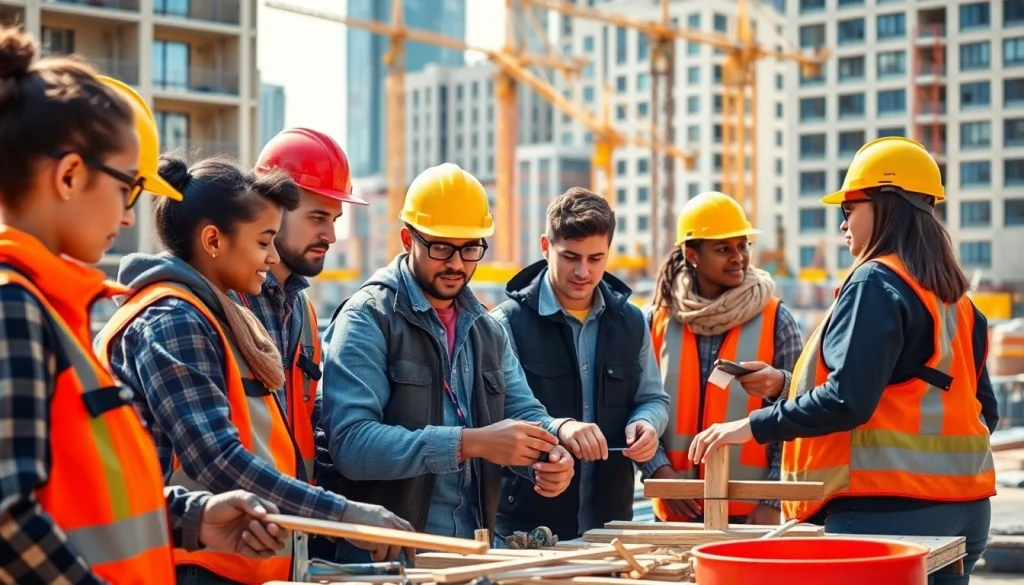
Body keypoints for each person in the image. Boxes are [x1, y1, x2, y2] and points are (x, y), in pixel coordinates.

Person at [0, 27, 285, 585]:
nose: (130, 214)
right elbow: (9, 517)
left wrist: (190, 516)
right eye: (127, 187)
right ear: (70, 175)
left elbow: (87, 499)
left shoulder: (47, 307)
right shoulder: (14, 308)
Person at [688, 137, 998, 584]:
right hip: (967, 509)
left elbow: (847, 400)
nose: (843, 223)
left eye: (849, 208)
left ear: (885, 203)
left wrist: (750, 426)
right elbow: (981, 409)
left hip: (885, 510)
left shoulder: (875, 281)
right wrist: (783, 385)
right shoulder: (957, 301)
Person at [94, 155, 412, 585]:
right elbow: (218, 460)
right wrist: (346, 515)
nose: (271, 256)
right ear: (213, 240)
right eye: (264, 242)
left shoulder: (211, 314)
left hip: (220, 557)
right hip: (188, 565)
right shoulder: (173, 319)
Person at [319, 163, 585, 561]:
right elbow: (352, 445)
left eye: (470, 248)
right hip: (389, 563)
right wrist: (470, 443)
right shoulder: (368, 318)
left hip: (472, 555)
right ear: (408, 239)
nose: (457, 264)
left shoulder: (486, 329)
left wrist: (548, 454)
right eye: (441, 248)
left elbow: (525, 413)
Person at [490, 187, 669, 542]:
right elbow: (494, 419)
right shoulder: (505, 324)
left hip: (612, 530)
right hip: (526, 533)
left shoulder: (633, 322)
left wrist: (647, 424)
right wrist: (553, 437)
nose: (583, 271)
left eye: (595, 258)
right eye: (570, 257)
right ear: (546, 247)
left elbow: (653, 398)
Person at [231, 128, 365, 559]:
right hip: (219, 547)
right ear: (269, 208)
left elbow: (300, 424)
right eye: (317, 217)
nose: (331, 235)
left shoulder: (303, 312)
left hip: (285, 542)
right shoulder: (224, 302)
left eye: (334, 220)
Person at [643, 191, 803, 526]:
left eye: (743, 246)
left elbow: (800, 412)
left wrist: (773, 500)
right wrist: (659, 471)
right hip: (675, 515)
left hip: (753, 514)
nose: (738, 258)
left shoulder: (777, 320)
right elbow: (636, 405)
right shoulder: (655, 321)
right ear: (692, 255)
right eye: (723, 249)